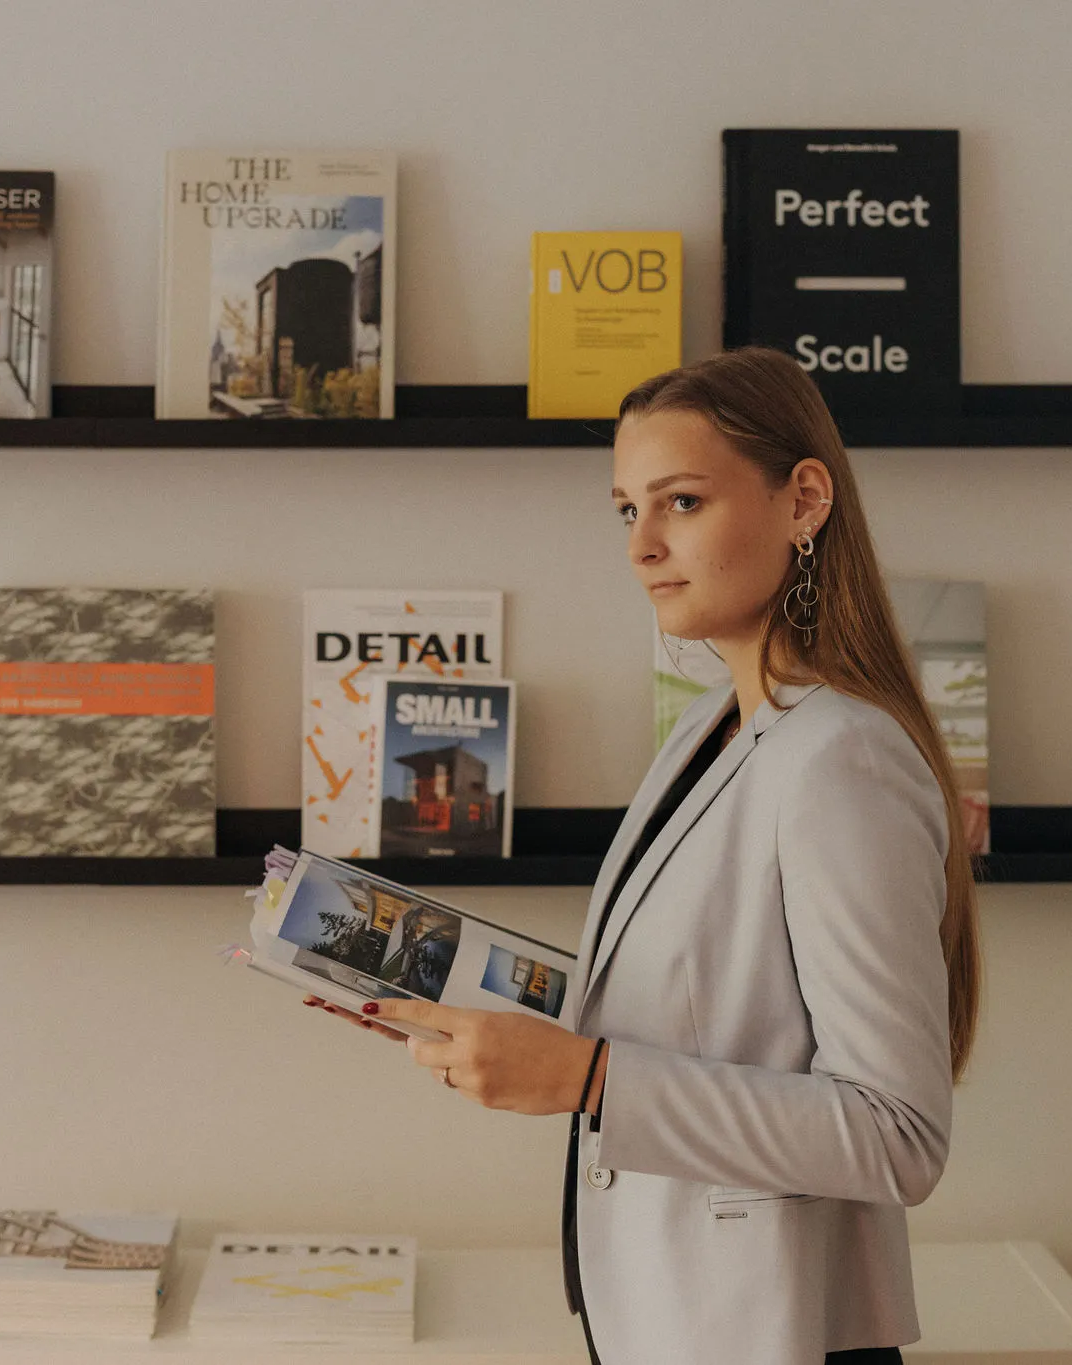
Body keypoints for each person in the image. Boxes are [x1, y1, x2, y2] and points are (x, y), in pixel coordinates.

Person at [309, 346, 981, 1364]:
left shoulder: (839, 757)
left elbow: (894, 1135)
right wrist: (468, 1006)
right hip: (665, 1317)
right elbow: (701, 1005)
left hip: (775, 1334)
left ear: (803, 501)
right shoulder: (708, 726)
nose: (643, 546)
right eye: (626, 510)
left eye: (680, 503)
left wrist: (587, 1079)